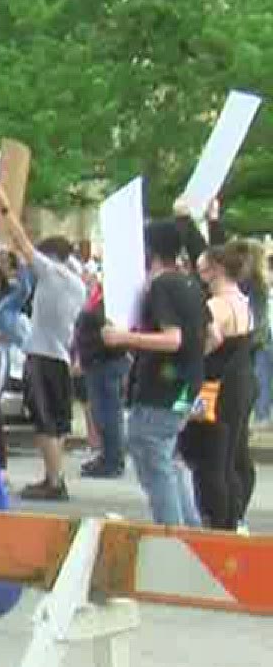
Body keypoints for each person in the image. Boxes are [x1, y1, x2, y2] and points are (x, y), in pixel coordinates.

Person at [105, 220, 206, 528]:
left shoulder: (162, 286)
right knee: (168, 459)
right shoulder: (191, 283)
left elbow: (172, 338)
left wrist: (124, 338)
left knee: (153, 460)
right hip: (186, 386)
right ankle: (193, 532)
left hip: (161, 389)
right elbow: (210, 335)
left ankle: (173, 534)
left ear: (149, 250)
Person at [0, 193, 86, 501]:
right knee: (57, 422)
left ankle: (54, 481)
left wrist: (6, 208)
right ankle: (53, 476)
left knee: (45, 422)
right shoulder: (78, 282)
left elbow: (23, 243)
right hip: (57, 355)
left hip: (42, 356)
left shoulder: (55, 274)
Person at [181, 240, 257, 531]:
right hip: (241, 383)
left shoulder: (215, 306)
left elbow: (209, 340)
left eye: (202, 269)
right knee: (233, 453)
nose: (199, 275)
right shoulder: (243, 301)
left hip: (214, 388)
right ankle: (233, 516)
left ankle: (217, 518)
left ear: (215, 271)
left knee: (209, 455)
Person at [75, 275, 130, 479]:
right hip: (97, 362)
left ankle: (112, 460)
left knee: (108, 414)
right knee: (102, 413)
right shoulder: (98, 299)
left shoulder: (110, 307)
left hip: (105, 363)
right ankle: (107, 455)